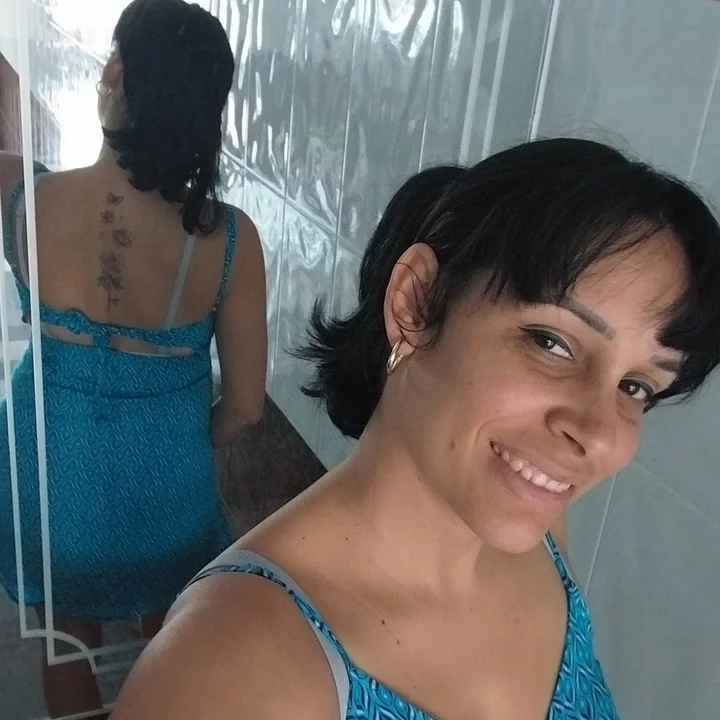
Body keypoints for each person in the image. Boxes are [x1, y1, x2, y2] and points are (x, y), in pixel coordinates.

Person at [110, 138, 720, 720]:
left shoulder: (540, 540)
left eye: (635, 386)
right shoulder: (224, 676)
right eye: (551, 342)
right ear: (416, 302)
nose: (597, 434)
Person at [0, 0, 266, 716]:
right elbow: (245, 407)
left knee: (66, 641)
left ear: (115, 70)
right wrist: (174, 434)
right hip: (168, 487)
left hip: (51, 474)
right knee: (175, 637)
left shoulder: (21, 196)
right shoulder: (230, 241)